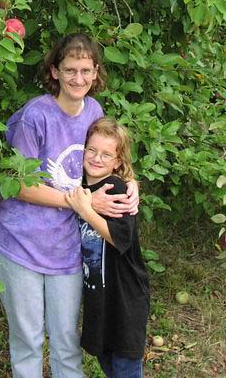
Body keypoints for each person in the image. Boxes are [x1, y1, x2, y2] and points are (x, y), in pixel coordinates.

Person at [0, 33, 139, 378]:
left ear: (96, 72)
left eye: (86, 70)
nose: (78, 79)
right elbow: (19, 186)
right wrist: (79, 203)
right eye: (70, 70)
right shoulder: (35, 117)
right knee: (27, 340)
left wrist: (130, 182)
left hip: (67, 249)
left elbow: (106, 159)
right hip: (21, 244)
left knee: (66, 342)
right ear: (55, 72)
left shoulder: (95, 112)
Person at [65, 117, 150, 378]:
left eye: (106, 154)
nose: (97, 158)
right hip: (98, 297)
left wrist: (86, 210)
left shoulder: (118, 188)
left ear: (118, 162)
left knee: (125, 366)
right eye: (91, 150)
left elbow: (119, 238)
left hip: (125, 297)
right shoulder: (78, 186)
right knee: (106, 361)